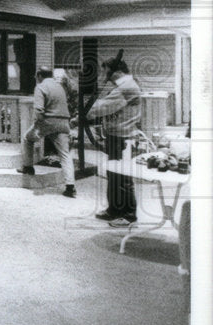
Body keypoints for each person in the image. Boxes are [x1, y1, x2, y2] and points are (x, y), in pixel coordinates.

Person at [87, 55, 142, 225]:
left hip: (122, 136)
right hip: (119, 135)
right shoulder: (125, 85)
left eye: (104, 71)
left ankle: (127, 214)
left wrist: (84, 114)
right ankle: (115, 209)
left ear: (114, 71)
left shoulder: (125, 87)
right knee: (115, 174)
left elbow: (103, 107)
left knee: (122, 176)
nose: (103, 75)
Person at [17, 67, 75, 197]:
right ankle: (70, 187)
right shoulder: (60, 87)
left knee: (28, 138)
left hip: (48, 121)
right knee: (65, 154)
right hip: (64, 122)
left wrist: (38, 126)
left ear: (39, 75)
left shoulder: (40, 87)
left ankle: (28, 167)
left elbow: (38, 110)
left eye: (36, 76)